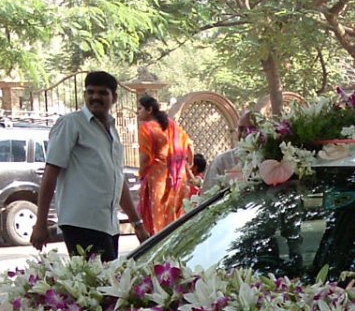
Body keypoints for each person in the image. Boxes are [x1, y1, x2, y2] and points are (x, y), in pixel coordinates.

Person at [30, 70, 147, 261]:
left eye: (102, 93)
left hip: (108, 224)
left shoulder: (112, 130)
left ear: (114, 98)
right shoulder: (71, 124)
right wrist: (40, 222)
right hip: (82, 222)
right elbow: (51, 173)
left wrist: (137, 223)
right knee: (97, 285)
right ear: (84, 95)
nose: (95, 97)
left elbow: (118, 180)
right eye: (91, 92)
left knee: (107, 283)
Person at [137, 94, 194, 236]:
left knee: (157, 220)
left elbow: (144, 159)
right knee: (176, 218)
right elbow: (189, 146)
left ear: (149, 110)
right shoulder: (172, 125)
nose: (137, 112)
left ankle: (160, 253)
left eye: (139, 109)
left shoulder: (147, 128)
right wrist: (188, 166)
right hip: (179, 180)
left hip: (158, 180)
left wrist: (141, 173)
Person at [203, 111, 259, 188]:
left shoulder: (272, 157)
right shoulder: (221, 161)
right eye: (241, 129)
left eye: (251, 129)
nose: (244, 134)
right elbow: (208, 196)